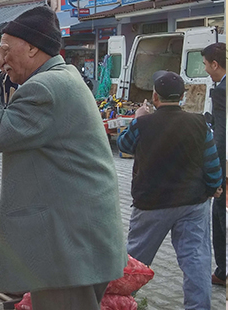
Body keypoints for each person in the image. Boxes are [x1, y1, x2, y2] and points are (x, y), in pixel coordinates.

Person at [0, 7, 126, 309]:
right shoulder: (62, 77)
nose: (1, 59)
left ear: (31, 48)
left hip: (68, 250)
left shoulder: (45, 88)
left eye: (4, 49)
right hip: (78, 242)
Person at [117, 70, 222, 309]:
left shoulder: (143, 124)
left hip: (151, 204)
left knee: (135, 261)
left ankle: (119, 302)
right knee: (196, 260)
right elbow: (212, 161)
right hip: (192, 203)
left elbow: (123, 144)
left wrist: (137, 117)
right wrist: (214, 187)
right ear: (183, 97)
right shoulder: (199, 123)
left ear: (155, 97)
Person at [201, 42, 226, 287]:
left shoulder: (221, 91)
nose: (205, 69)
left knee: (220, 214)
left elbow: (220, 136)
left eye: (206, 64)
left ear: (215, 64)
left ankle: (223, 271)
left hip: (224, 164)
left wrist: (216, 175)